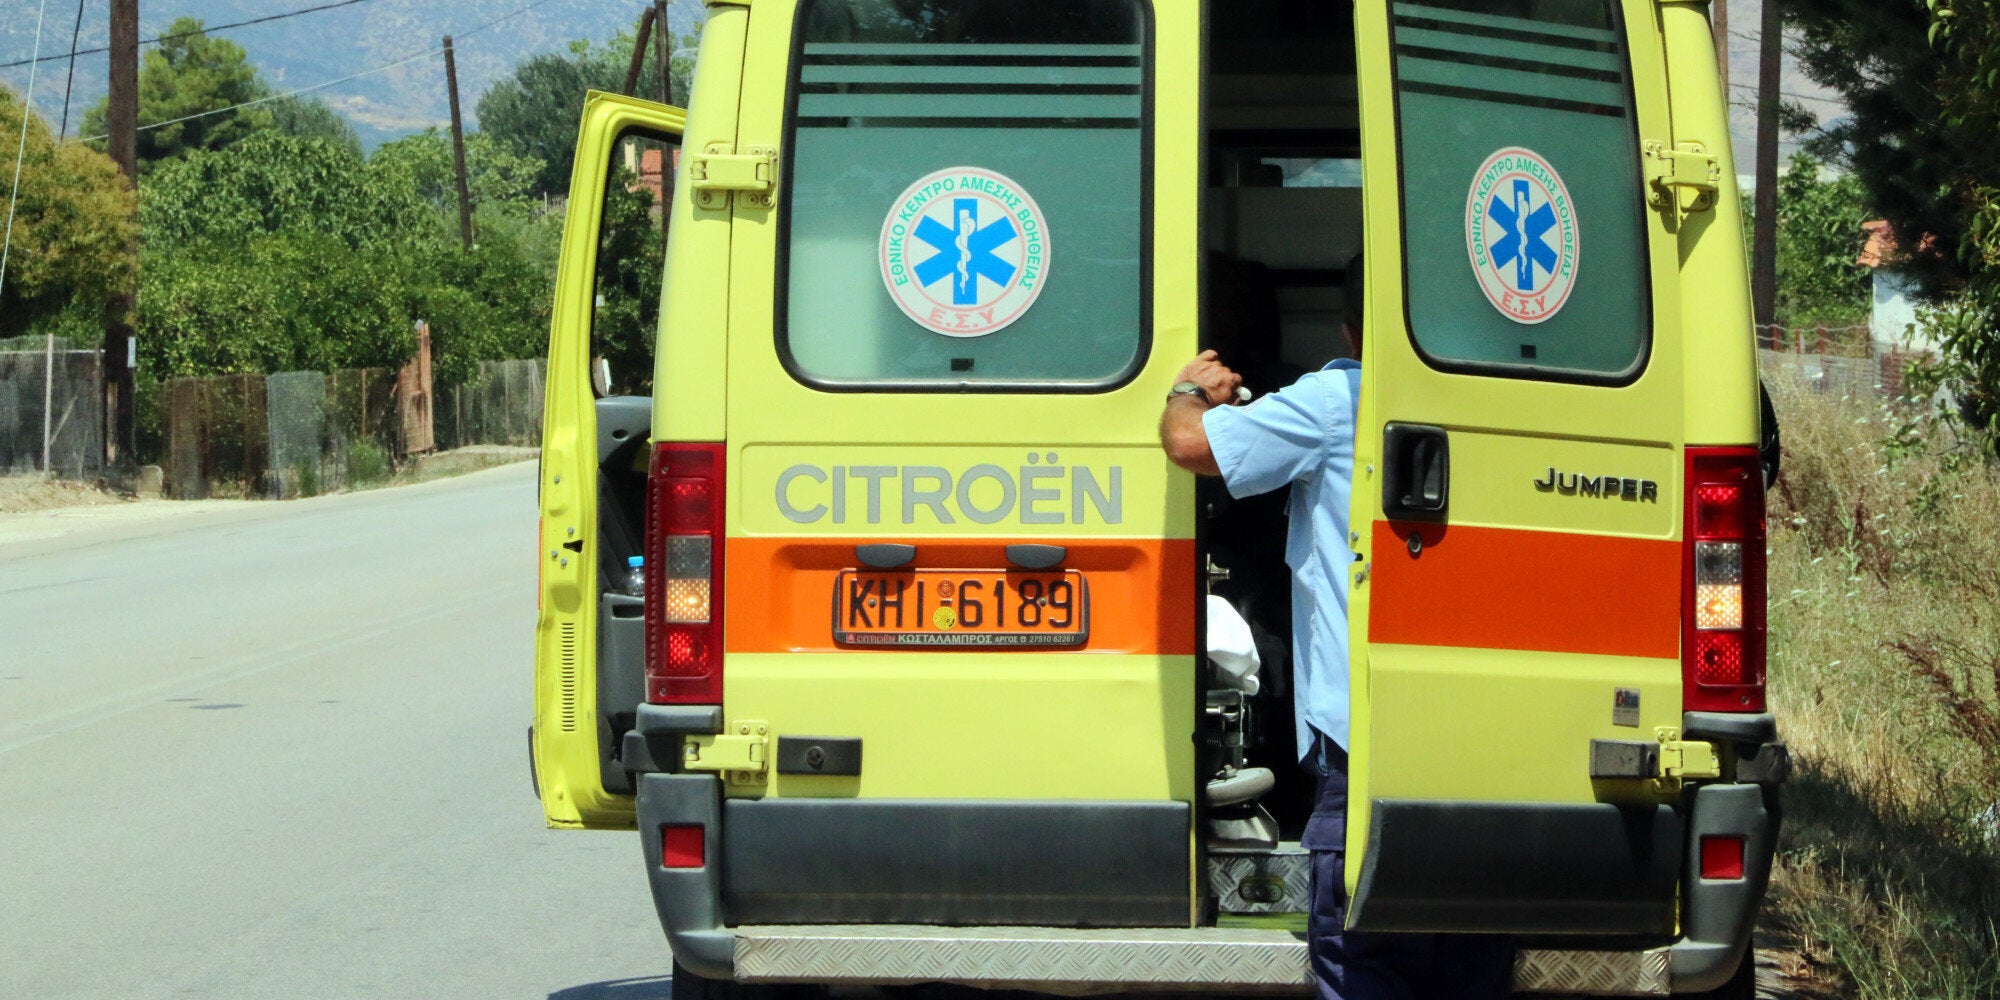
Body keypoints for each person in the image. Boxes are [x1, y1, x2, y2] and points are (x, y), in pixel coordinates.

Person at [1157, 256, 1512, 1000]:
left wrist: (1190, 391)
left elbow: (1191, 445)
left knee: (1362, 957)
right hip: (1493, 741)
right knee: (1471, 954)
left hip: (1368, 736)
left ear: (1349, 331)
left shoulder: (1335, 399)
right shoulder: (1509, 396)